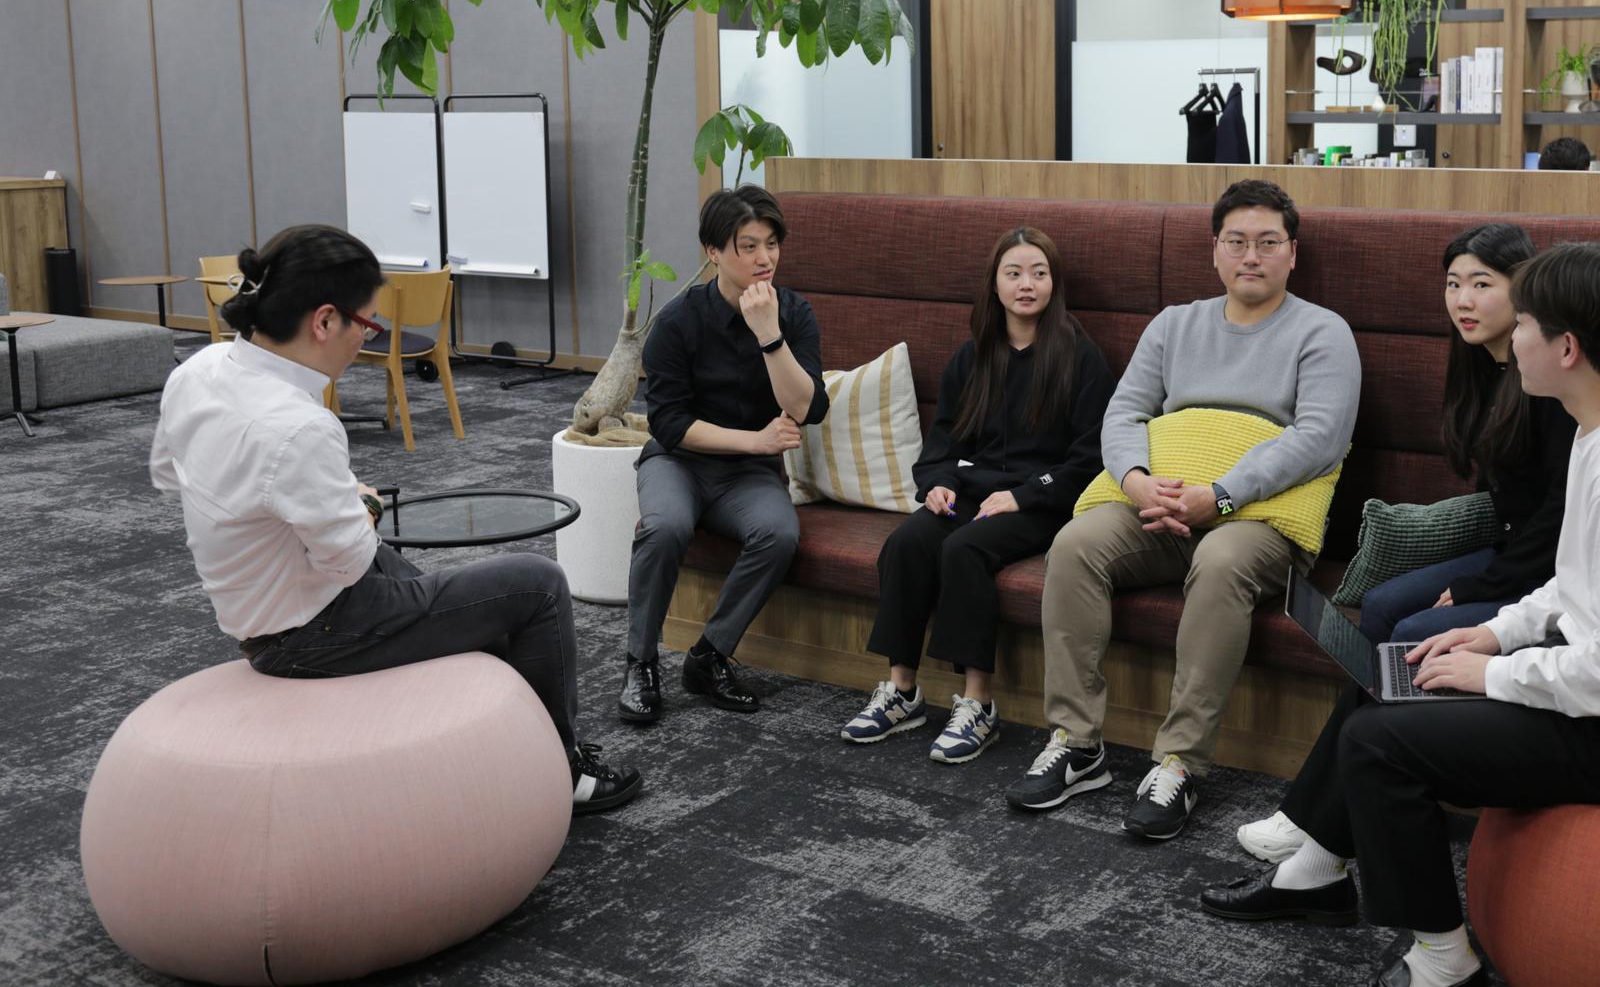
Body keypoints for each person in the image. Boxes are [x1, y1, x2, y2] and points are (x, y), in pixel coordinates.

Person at [1197, 242, 1600, 987]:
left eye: (1522, 322)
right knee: (1400, 670)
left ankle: (1443, 963)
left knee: (1379, 744)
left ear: (1566, 348)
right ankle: (1319, 871)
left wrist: (1490, 674)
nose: (1511, 339)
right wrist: (1496, 631)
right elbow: (1575, 582)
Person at [151, 225, 641, 815]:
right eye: (369, 323)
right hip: (310, 633)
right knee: (539, 585)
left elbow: (169, 473)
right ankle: (559, 771)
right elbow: (349, 563)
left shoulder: (197, 371)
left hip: (258, 607)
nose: (368, 337)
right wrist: (364, 502)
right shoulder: (298, 427)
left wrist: (294, 502)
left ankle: (505, 743)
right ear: (325, 321)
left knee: (464, 598)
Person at [1005, 179, 1362, 840]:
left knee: (1222, 560)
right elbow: (1123, 412)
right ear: (1215, 250)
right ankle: (1077, 743)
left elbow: (1320, 437)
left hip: (1256, 518)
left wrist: (1220, 495)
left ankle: (1180, 763)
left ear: (1292, 253)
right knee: (1075, 545)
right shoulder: (1174, 324)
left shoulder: (1323, 331)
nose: (1251, 256)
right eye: (1237, 241)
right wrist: (1137, 481)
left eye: (1268, 243)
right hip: (1162, 500)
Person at [1237, 222, 1577, 862]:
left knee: (1412, 631)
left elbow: (1563, 516)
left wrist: (1482, 587)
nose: (1463, 301)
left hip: (1554, 570)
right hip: (1517, 551)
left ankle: (1324, 816)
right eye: (1453, 284)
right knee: (1383, 604)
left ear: (1524, 290)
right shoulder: (1483, 367)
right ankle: (1342, 793)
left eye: (1483, 284)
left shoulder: (1548, 379)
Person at [841, 227, 1115, 763]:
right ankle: (902, 690)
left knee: (963, 548)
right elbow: (943, 441)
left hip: (1045, 502)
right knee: (908, 542)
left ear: (1054, 284)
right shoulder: (973, 357)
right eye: (1013, 273)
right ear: (995, 285)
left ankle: (978, 702)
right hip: (974, 492)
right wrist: (938, 483)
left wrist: (1024, 495)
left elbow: (1090, 459)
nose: (1026, 284)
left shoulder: (1082, 359)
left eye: (1038, 273)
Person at [622, 185, 828, 723]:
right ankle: (640, 663)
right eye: (748, 246)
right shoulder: (677, 322)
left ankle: (709, 655)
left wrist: (769, 336)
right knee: (664, 527)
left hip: (749, 476)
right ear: (713, 252)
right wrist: (754, 440)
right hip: (679, 462)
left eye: (771, 245)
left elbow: (808, 408)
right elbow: (669, 424)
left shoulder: (793, 313)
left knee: (779, 534)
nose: (764, 259)